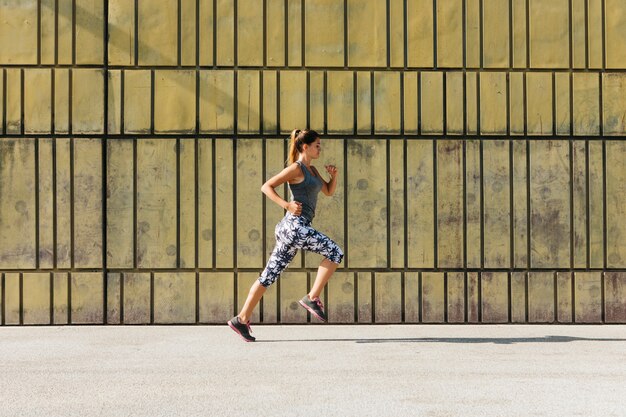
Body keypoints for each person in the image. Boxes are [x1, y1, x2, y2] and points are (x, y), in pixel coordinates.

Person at [228, 129, 344, 342]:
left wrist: (333, 177)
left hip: (292, 230)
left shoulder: (314, 171)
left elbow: (327, 191)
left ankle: (241, 319)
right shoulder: (296, 168)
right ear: (304, 147)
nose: (320, 148)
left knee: (268, 276)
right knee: (335, 252)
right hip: (294, 226)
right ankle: (312, 298)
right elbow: (267, 186)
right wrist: (287, 205)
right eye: (317, 144)